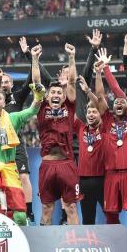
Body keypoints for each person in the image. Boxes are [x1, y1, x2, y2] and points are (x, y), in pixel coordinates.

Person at [0, 44, 45, 225]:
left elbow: (33, 110)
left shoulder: (13, 118)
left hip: (9, 169)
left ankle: (23, 247)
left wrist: (38, 96)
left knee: (20, 216)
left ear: (4, 103)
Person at [95, 48, 127, 252]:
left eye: (123, 102)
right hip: (111, 177)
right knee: (111, 215)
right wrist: (100, 71)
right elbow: (100, 95)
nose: (118, 102)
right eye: (115, 101)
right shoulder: (106, 122)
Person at [36, 43, 82, 225]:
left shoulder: (68, 107)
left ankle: (75, 246)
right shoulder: (41, 108)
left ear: (63, 97)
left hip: (67, 164)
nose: (56, 94)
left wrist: (71, 57)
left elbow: (71, 82)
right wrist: (34, 59)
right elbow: (37, 83)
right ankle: (44, 249)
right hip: (47, 165)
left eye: (58, 92)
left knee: (70, 207)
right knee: (47, 208)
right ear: (47, 97)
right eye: (52, 92)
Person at [74, 72, 105, 225]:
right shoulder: (80, 127)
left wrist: (87, 91)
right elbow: (69, 112)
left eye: (94, 111)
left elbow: (100, 104)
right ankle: (91, 247)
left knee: (110, 215)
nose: (91, 114)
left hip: (103, 179)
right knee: (87, 219)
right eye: (88, 112)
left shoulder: (106, 128)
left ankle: (113, 246)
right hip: (84, 180)